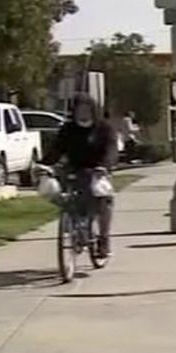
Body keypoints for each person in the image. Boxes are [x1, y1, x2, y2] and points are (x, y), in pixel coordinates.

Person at [43, 93, 119, 257]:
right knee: (57, 193)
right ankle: (73, 226)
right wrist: (45, 164)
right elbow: (57, 149)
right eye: (79, 110)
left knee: (104, 201)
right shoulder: (68, 129)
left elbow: (111, 150)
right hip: (73, 169)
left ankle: (103, 240)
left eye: (86, 109)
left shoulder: (104, 128)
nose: (83, 113)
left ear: (93, 110)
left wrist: (104, 166)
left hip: (97, 170)